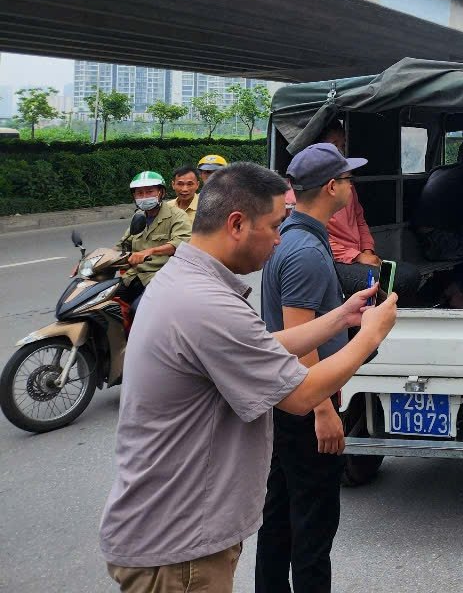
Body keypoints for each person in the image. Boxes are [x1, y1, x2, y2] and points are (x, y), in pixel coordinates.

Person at [99, 163, 398, 593]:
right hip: (179, 550)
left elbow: (258, 347)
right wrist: (369, 336)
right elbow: (301, 394)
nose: (279, 238)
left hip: (173, 534)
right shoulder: (206, 303)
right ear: (237, 224)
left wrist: (340, 318)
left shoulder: (185, 280)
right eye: (275, 226)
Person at [256, 143, 369, 592]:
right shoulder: (305, 250)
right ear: (330, 187)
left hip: (287, 401)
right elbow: (299, 338)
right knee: (313, 525)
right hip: (305, 404)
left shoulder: (294, 236)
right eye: (348, 179)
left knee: (281, 514)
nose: (352, 186)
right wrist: (323, 410)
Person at [413, 138, 463, 307]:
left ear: (459, 155)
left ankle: (453, 288)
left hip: (423, 239)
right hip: (440, 241)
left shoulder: (439, 170)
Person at [319, 121, 383, 296]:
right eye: (335, 145)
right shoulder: (314, 188)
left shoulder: (347, 185)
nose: (340, 151)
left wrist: (367, 251)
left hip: (357, 254)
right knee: (400, 278)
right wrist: (357, 256)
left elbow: (359, 220)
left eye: (343, 146)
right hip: (336, 260)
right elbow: (318, 239)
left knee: (402, 273)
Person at [118, 171, 192, 306]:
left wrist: (149, 251)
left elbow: (179, 243)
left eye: (149, 192)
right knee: (105, 301)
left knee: (138, 309)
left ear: (161, 193)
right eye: (139, 193)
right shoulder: (139, 216)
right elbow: (123, 243)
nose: (144, 197)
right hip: (134, 275)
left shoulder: (177, 216)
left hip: (162, 277)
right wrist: (97, 259)